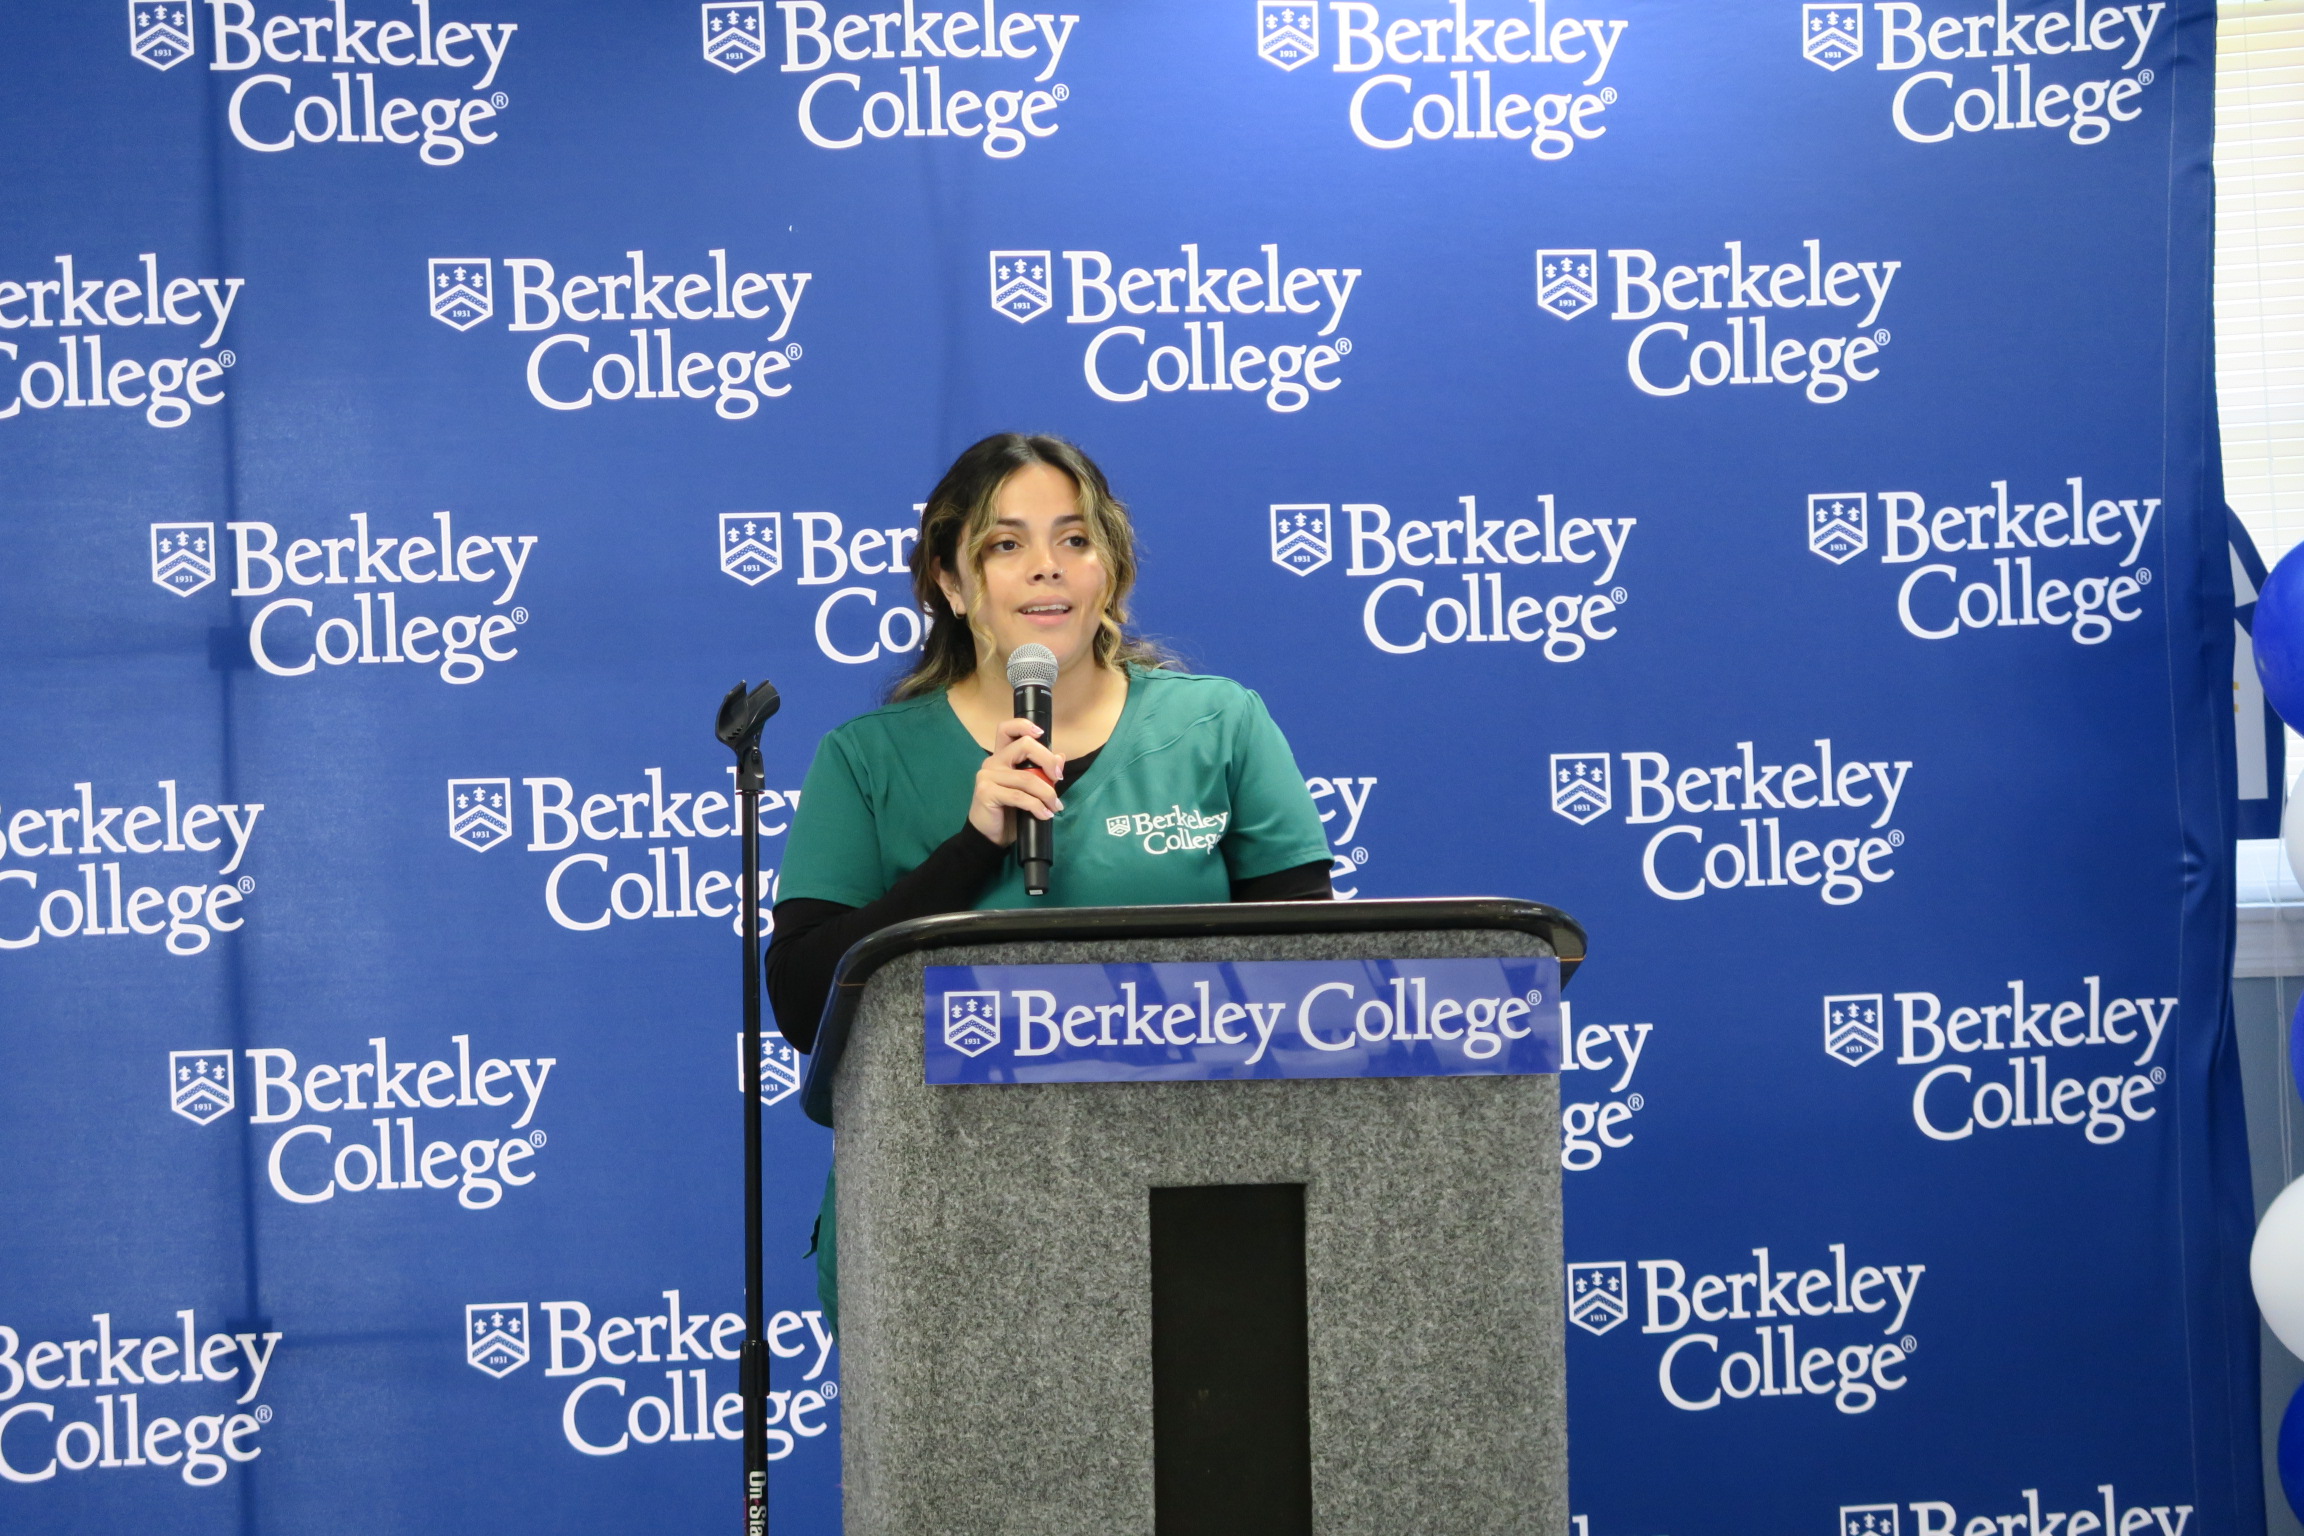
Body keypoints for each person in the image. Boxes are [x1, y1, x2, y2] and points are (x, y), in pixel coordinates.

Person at [766, 431, 1336, 1329]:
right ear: (952, 586)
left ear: (1109, 572)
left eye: (1074, 540)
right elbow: (803, 1001)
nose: (1047, 570)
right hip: (946, 1220)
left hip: (1194, 1200)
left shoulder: (1221, 724)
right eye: (1006, 544)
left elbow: (1316, 978)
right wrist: (971, 848)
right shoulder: (866, 761)